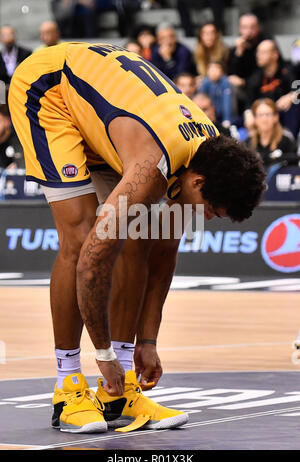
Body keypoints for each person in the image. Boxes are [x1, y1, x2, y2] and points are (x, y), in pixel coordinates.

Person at [8, 42, 266, 434]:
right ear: (197, 183)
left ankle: (119, 393)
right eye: (212, 210)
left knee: (141, 238)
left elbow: (163, 257)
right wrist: (104, 353)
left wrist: (147, 341)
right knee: (81, 239)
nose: (206, 218)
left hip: (109, 114)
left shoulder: (208, 158)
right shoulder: (155, 168)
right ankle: (68, 388)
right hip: (52, 90)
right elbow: (94, 258)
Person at [245, 98, 297, 168]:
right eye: (260, 115)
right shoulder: (248, 142)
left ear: (276, 117)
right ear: (254, 118)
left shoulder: (286, 140)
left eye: (268, 114)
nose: (264, 119)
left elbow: (295, 162)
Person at [198, 60, 234, 126]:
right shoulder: (205, 82)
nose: (213, 72)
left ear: (222, 71)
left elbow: (227, 102)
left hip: (222, 115)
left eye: (216, 69)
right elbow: (200, 99)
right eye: (211, 69)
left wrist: (226, 119)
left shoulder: (225, 82)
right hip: (208, 115)